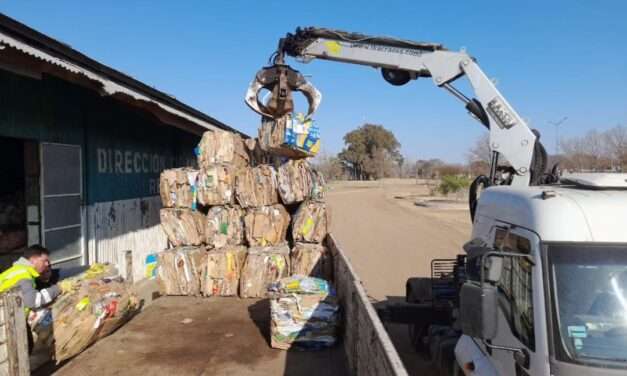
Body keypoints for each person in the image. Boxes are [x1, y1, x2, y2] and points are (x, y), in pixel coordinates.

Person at [0, 245, 64, 314]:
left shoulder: (14, 271)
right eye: (45, 261)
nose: (47, 264)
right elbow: (33, 301)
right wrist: (58, 288)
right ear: (33, 260)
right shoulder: (24, 275)